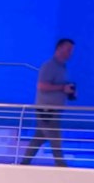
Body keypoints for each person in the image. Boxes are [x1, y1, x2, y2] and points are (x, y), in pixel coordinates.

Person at [24, 38, 76, 167]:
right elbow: (42, 86)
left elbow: (57, 86)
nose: (70, 53)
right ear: (59, 48)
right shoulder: (49, 66)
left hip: (53, 110)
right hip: (47, 110)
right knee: (55, 139)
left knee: (38, 138)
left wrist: (68, 91)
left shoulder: (62, 68)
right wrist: (62, 88)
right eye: (68, 49)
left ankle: (23, 164)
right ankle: (62, 167)